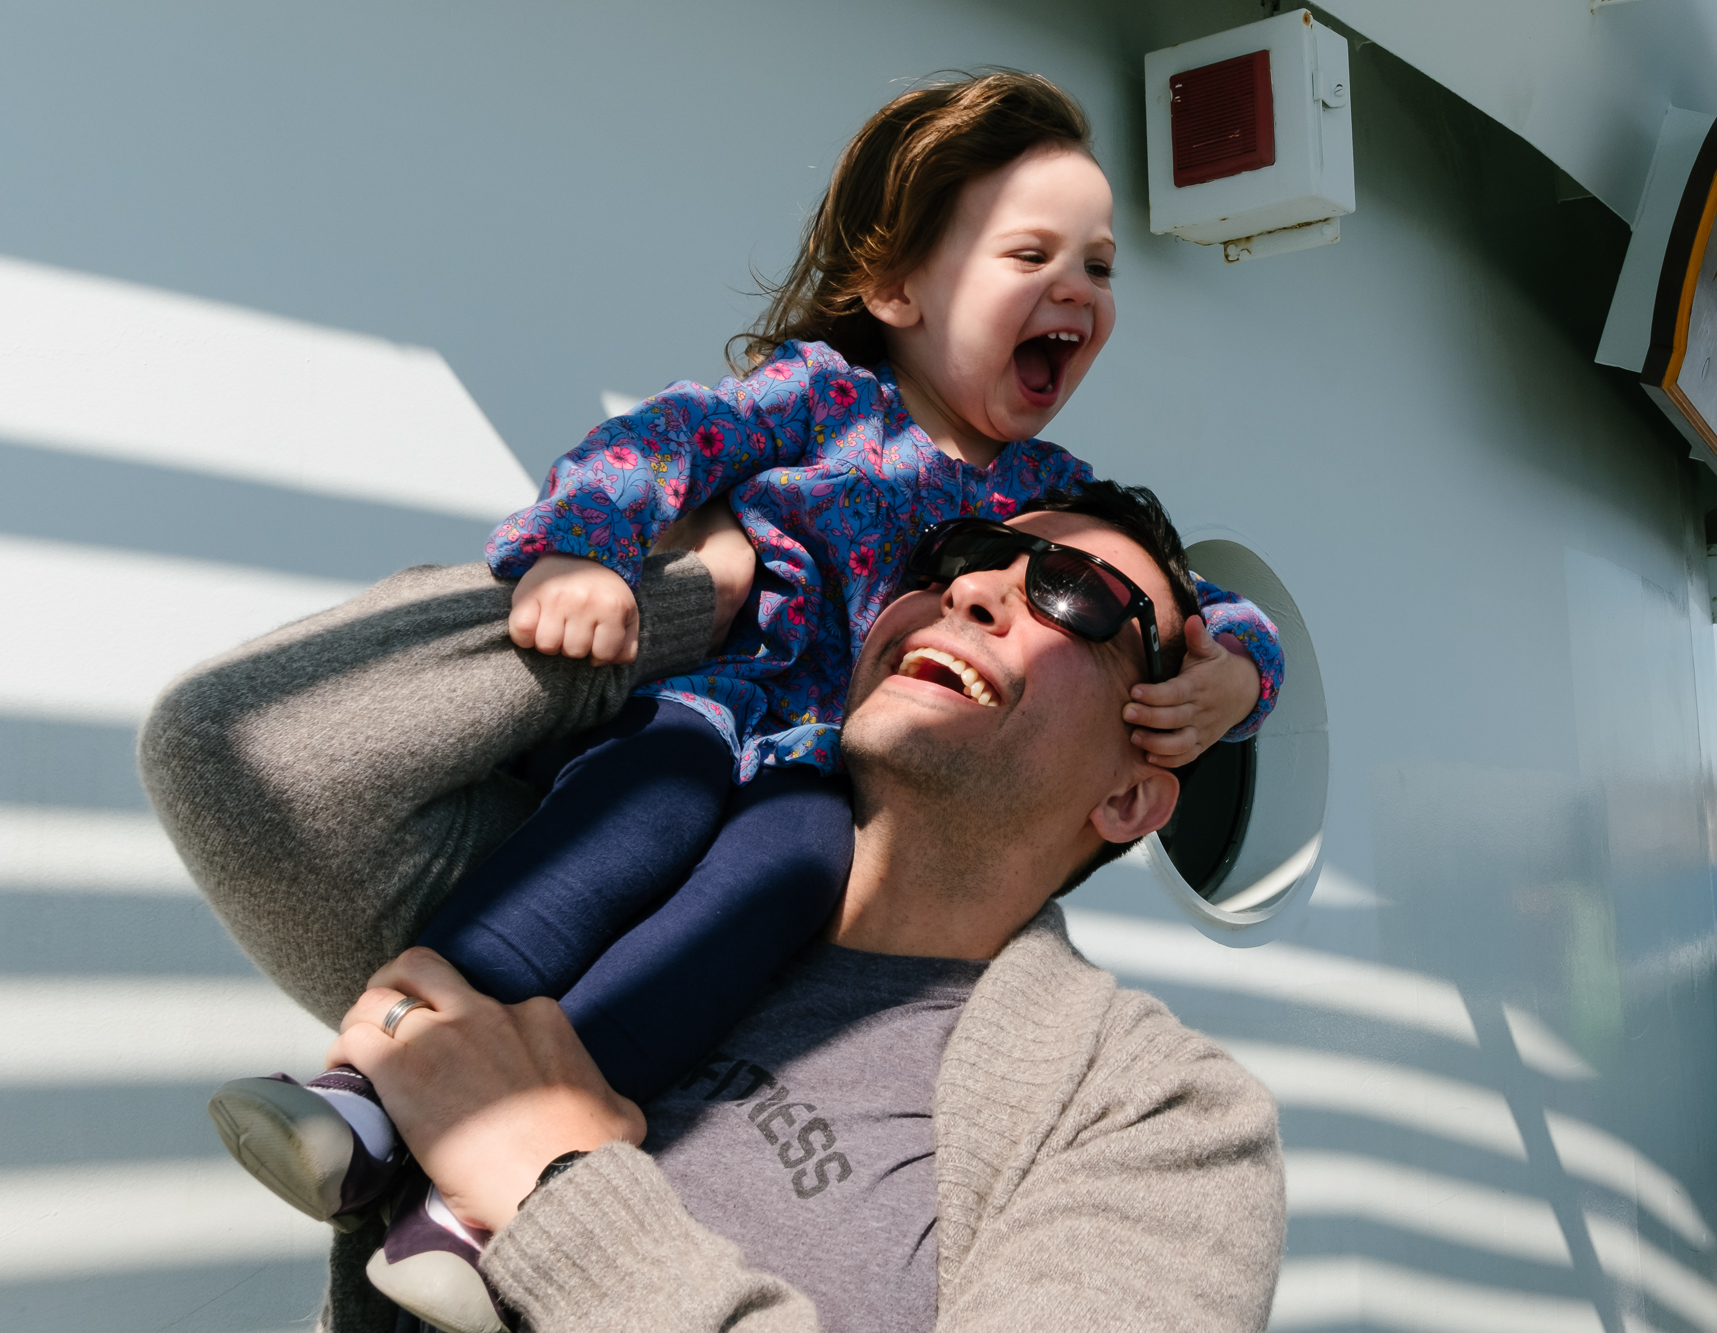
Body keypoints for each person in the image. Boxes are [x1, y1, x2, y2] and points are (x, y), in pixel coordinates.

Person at [198, 68, 1285, 1322]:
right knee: (583, 864)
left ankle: (461, 1201)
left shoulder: (1143, 1116)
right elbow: (655, 449)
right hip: (717, 714)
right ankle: (364, 1097)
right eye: (1029, 252)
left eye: (1097, 266)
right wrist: (631, 568)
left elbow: (1211, 608)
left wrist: (1233, 676)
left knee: (726, 916)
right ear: (893, 290)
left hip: (807, 778)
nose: (1077, 291)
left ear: (1134, 794)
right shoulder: (821, 399)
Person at [142, 482, 1286, 1333]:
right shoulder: (592, 890)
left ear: (1134, 791)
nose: (976, 588)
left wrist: (559, 1195)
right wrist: (709, 591)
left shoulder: (1159, 1118)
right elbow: (240, 752)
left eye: (1073, 596)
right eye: (959, 554)